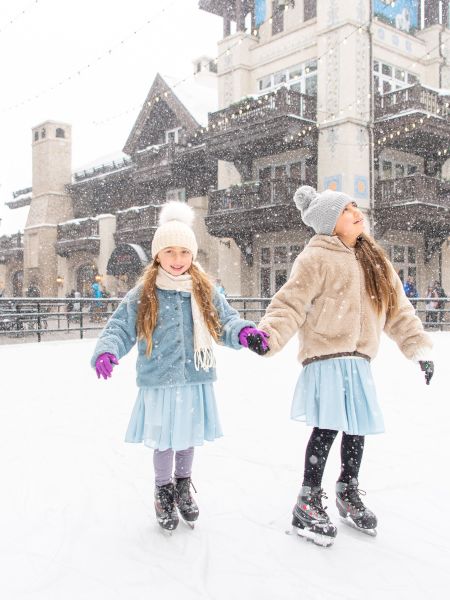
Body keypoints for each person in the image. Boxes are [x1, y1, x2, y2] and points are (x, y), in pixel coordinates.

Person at [255, 185, 434, 547]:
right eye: (345, 210)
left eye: (355, 206)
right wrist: (268, 335)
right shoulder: (315, 257)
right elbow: (290, 303)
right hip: (326, 356)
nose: (356, 212)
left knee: (357, 429)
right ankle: (307, 498)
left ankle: (347, 489)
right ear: (328, 224)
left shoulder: (375, 259)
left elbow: (398, 309)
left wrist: (418, 348)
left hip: (359, 360)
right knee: (328, 427)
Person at [91, 202, 266, 532]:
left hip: (194, 377)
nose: (177, 259)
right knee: (165, 440)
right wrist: (107, 350)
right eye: (169, 251)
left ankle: (183, 486)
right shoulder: (144, 292)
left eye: (184, 251)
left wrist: (244, 332)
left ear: (192, 255)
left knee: (186, 438)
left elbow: (224, 321)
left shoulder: (203, 289)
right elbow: (119, 327)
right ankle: (163, 491)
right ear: (158, 255)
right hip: (159, 378)